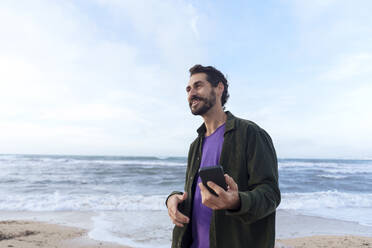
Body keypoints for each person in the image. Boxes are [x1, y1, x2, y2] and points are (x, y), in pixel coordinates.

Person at [166, 64, 281, 248]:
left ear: (219, 88)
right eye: (188, 89)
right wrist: (173, 198)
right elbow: (197, 193)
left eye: (198, 86)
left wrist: (236, 201)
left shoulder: (250, 133)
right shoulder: (195, 145)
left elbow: (270, 195)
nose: (191, 93)